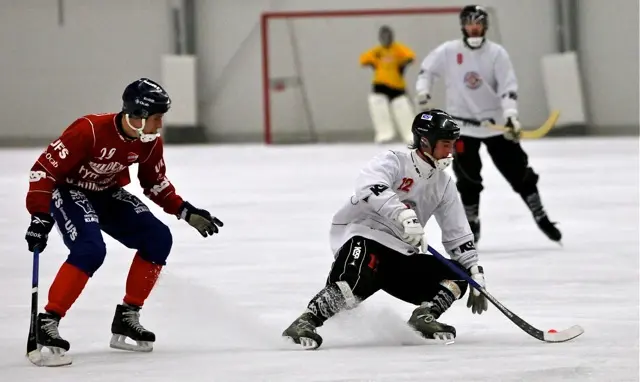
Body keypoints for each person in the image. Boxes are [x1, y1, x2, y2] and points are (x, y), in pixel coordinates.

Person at [24, 78, 223, 359]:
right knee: (90, 249)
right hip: (69, 192)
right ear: (137, 117)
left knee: (158, 238)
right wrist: (40, 216)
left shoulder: (149, 142)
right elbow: (43, 170)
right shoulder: (89, 130)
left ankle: (128, 316)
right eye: (156, 118)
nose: (159, 125)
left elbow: (154, 182)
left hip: (106, 192)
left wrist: (184, 210)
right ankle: (48, 321)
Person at [282, 109, 488, 350]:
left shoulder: (444, 185)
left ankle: (424, 317)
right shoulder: (394, 161)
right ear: (425, 141)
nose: (450, 151)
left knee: (459, 274)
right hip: (364, 236)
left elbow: (458, 232)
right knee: (352, 284)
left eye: (452, 144)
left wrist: (474, 270)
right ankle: (305, 321)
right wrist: (403, 214)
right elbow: (369, 185)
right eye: (445, 144)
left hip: (400, 254)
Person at [414, 5, 562, 245]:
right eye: (470, 24)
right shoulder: (449, 51)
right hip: (461, 126)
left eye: (478, 24)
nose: (474, 29)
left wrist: (511, 115)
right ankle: (472, 221)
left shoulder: (496, 53)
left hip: (496, 125)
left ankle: (539, 213)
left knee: (518, 171)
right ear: (463, 26)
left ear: (485, 26)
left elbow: (508, 87)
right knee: (467, 178)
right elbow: (427, 70)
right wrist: (423, 90)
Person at [360, 25, 416, 144]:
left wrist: (402, 65)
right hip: (380, 85)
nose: (385, 39)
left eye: (387, 36)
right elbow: (363, 59)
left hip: (397, 85)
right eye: (383, 36)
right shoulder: (377, 51)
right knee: (378, 106)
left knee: (403, 109)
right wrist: (372, 64)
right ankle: (384, 134)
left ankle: (409, 135)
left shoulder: (398, 49)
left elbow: (410, 56)